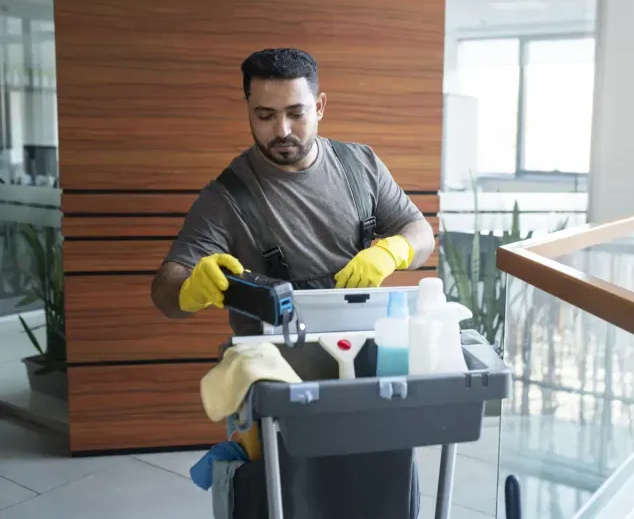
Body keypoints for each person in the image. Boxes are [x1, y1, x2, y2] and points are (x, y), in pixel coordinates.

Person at [150, 47, 435, 335]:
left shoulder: (361, 165)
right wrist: (190, 291)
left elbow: (421, 233)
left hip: (361, 343)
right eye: (265, 116)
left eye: (296, 113)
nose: (282, 130)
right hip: (273, 362)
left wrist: (392, 251)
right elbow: (165, 293)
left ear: (320, 107)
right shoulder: (226, 197)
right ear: (248, 110)